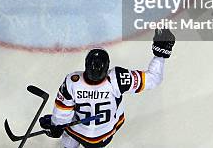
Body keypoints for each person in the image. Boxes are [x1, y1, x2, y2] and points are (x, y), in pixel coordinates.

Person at [38, 29, 175, 147]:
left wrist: (56, 126)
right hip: (104, 136)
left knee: (69, 132)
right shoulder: (118, 79)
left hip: (78, 133)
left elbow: (62, 114)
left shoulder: (72, 81)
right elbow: (153, 79)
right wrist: (160, 56)